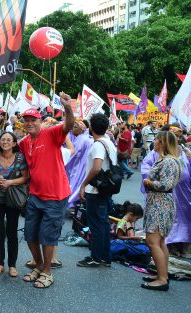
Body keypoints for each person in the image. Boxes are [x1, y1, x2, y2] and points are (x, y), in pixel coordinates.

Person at [18, 92, 74, 289]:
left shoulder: (50, 133)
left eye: (33, 120)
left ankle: (48, 272)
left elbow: (68, 126)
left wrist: (67, 107)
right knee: (30, 234)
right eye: (27, 120)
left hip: (55, 195)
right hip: (35, 194)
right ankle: (39, 265)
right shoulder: (24, 142)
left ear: (40, 121)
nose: (30, 123)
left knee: (47, 236)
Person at [139, 130, 182, 291]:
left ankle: (162, 279)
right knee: (159, 241)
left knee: (152, 241)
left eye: (157, 139)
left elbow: (166, 185)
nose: (154, 140)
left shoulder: (169, 161)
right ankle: (161, 274)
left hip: (161, 204)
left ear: (163, 143)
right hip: (158, 203)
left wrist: (148, 182)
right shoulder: (165, 159)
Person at [78, 113, 118, 268]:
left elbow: (96, 168)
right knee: (103, 223)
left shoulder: (97, 145)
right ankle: (105, 257)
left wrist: (83, 184)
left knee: (96, 225)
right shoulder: (109, 142)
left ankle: (96, 257)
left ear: (91, 127)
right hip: (106, 189)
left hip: (96, 190)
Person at [0, 131, 29, 277]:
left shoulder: (20, 158)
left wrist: (10, 182)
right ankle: (0, 263)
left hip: (13, 199)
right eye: (3, 140)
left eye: (8, 140)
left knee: (12, 231)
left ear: (14, 143)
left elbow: (25, 177)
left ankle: (12, 265)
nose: (5, 142)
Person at [66, 119, 93, 207]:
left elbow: (74, 154)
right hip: (83, 165)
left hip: (78, 166)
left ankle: (70, 203)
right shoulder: (86, 138)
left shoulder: (81, 139)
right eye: (73, 126)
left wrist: (64, 162)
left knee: (73, 184)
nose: (73, 129)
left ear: (81, 129)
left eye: (75, 127)